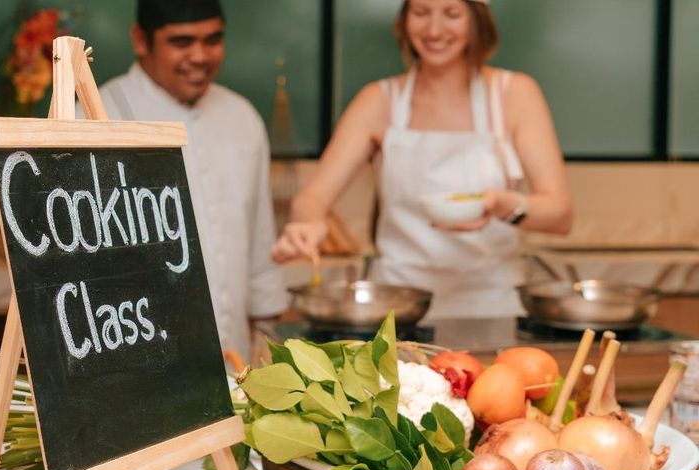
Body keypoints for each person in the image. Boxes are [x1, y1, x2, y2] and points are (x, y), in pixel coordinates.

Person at [271, 0, 572, 319]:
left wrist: (502, 204)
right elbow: (313, 197)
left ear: (476, 20)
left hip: (493, 304)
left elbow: (560, 215)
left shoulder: (514, 93)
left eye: (452, 14)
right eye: (421, 12)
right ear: (404, 19)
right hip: (399, 306)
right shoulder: (380, 100)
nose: (434, 29)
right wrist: (309, 224)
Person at [87, 0, 288, 360]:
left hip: (236, 359)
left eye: (213, 40)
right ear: (140, 40)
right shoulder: (96, 117)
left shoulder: (242, 117)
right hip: (137, 360)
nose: (200, 56)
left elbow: (259, 241)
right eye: (181, 42)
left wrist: (269, 342)